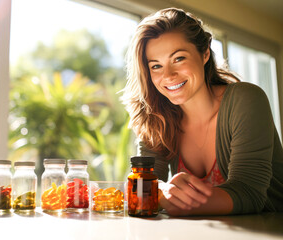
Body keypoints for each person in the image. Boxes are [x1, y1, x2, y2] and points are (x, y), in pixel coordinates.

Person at [121, 7, 283, 216]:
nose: (168, 75)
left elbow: (249, 193)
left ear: (205, 53)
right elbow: (144, 183)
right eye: (156, 66)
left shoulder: (246, 99)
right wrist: (161, 190)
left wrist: (165, 197)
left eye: (178, 58)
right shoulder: (155, 117)